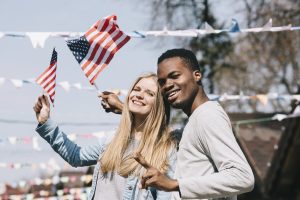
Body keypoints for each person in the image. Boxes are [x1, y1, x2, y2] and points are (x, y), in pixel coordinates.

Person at [100, 49, 255, 200]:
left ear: (197, 75)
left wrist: (173, 184)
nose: (167, 85)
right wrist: (124, 109)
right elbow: (159, 130)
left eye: (175, 76)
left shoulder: (208, 116)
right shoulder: (195, 120)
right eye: (162, 82)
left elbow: (242, 177)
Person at [33, 73, 177, 200]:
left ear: (160, 105)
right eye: (136, 89)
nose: (139, 95)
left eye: (149, 93)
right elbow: (76, 156)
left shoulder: (165, 149)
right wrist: (46, 123)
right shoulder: (114, 138)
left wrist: (121, 107)